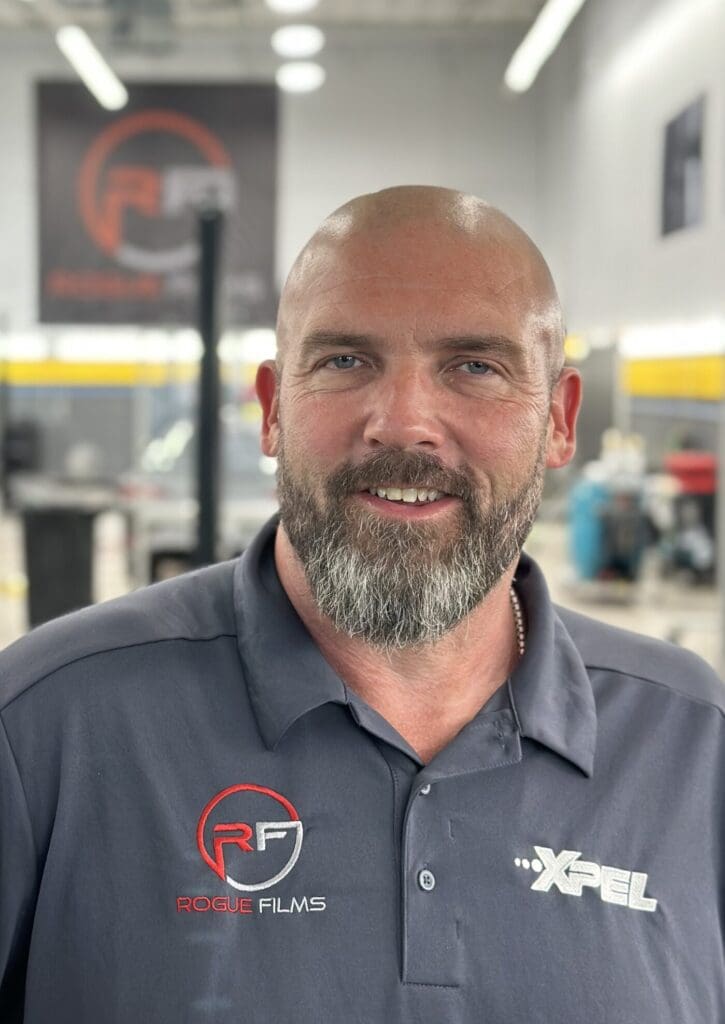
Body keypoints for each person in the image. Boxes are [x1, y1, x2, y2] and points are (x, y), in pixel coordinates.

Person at [0, 186, 723, 1023]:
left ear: (558, 421)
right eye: (345, 361)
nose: (404, 423)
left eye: (475, 367)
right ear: (272, 408)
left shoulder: (692, 748)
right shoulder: (45, 727)